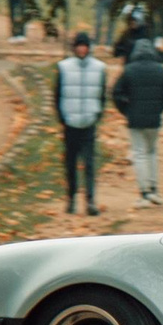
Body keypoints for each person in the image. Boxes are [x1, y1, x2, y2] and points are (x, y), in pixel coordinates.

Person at [114, 38, 163, 206]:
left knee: (139, 153)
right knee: (152, 152)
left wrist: (126, 111)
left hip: (135, 118)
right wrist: (158, 110)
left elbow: (116, 93)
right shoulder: (160, 69)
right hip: (154, 119)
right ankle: (154, 189)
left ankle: (144, 193)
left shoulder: (129, 70)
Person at [55, 31, 107, 216]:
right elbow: (57, 94)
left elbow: (102, 94)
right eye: (79, 46)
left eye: (84, 46)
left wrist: (97, 114)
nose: (82, 49)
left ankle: (90, 200)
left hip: (89, 122)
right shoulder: (64, 67)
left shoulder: (99, 68)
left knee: (90, 164)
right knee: (70, 164)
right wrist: (62, 117)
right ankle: (71, 199)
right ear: (74, 48)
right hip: (70, 123)